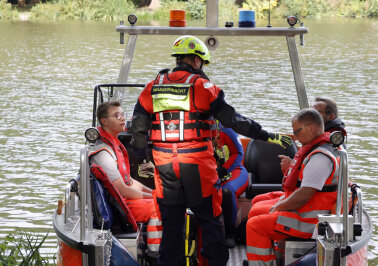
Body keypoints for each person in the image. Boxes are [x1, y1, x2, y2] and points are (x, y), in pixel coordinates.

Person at [130, 35, 293, 266]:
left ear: (178, 59)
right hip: (197, 162)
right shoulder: (203, 86)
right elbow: (234, 120)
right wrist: (266, 135)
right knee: (210, 219)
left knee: (171, 223)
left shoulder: (153, 86)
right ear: (197, 61)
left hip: (164, 162)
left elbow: (138, 126)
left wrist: (142, 157)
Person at [246, 108, 339, 265]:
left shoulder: (320, 158)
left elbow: (304, 195)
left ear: (310, 128)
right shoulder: (317, 149)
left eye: (297, 131)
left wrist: (279, 206)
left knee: (254, 226)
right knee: (257, 204)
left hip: (311, 219)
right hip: (308, 207)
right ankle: (270, 253)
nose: (295, 137)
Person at [88, 101, 162, 254]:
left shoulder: (114, 145)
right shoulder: (103, 152)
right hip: (119, 205)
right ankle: (156, 254)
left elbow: (129, 181)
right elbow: (122, 190)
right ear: (104, 121)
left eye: (123, 114)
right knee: (160, 208)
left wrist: (154, 193)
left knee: (164, 201)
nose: (123, 118)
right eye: (117, 115)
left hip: (124, 200)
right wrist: (156, 198)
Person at [213, 121, 249, 248]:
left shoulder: (225, 129)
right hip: (207, 172)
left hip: (233, 170)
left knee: (227, 192)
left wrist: (223, 170)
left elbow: (238, 153)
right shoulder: (193, 131)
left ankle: (230, 234)